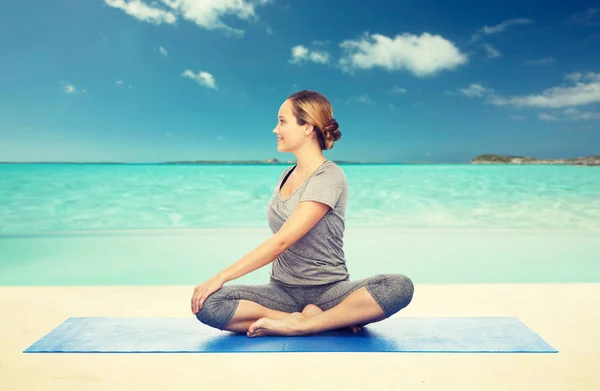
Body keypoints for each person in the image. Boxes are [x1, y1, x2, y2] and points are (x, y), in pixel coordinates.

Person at [191, 90, 414, 337]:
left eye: (282, 121)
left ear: (307, 127)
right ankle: (312, 320)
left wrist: (220, 276)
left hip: (330, 292)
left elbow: (283, 240)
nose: (276, 129)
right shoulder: (285, 174)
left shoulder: (329, 176)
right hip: (282, 292)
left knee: (398, 286)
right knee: (209, 304)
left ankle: (305, 324)